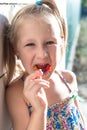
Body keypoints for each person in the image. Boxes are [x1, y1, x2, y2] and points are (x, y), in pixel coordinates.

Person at [4, 0, 87, 130]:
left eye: (49, 42)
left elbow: (81, 122)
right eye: (30, 44)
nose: (42, 54)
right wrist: (39, 110)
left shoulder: (68, 79)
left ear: (61, 41)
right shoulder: (17, 94)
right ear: (16, 50)